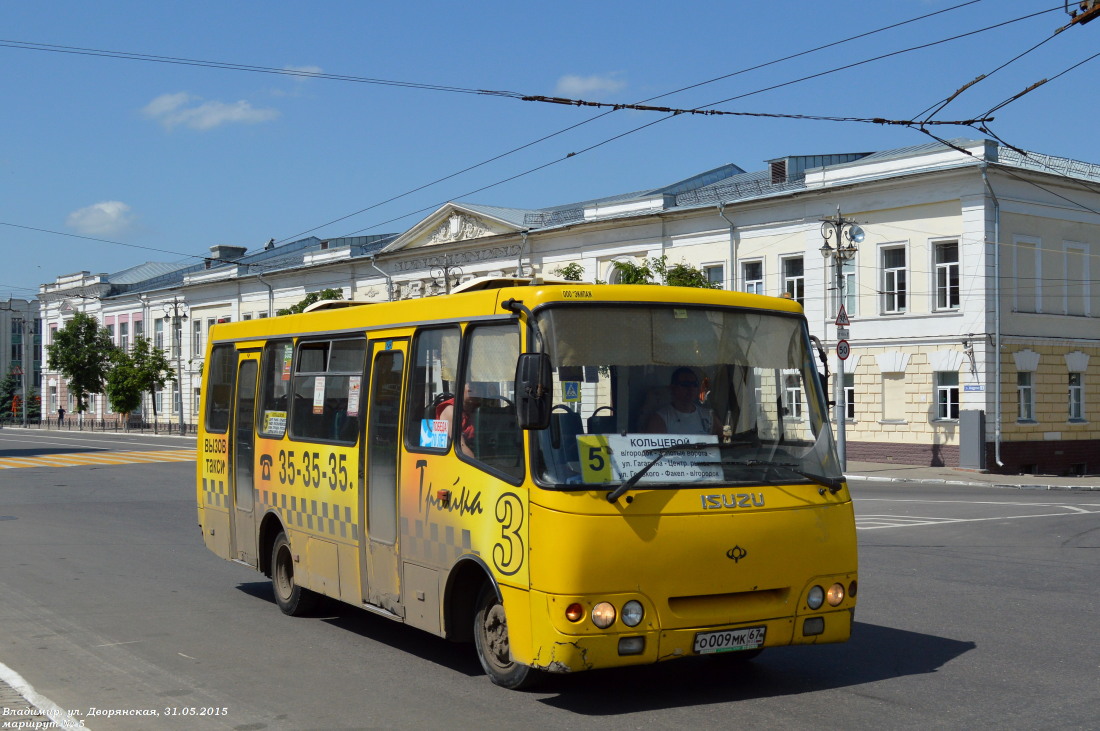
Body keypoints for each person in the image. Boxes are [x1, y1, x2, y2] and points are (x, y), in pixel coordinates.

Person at [646, 367, 719, 436]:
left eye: (694, 384)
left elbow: (725, 438)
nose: (691, 388)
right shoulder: (661, 418)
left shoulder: (708, 416)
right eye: (685, 384)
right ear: (673, 388)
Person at [436, 383, 478, 455]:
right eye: (471, 385)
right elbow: (460, 447)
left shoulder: (476, 409)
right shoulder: (451, 410)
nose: (474, 390)